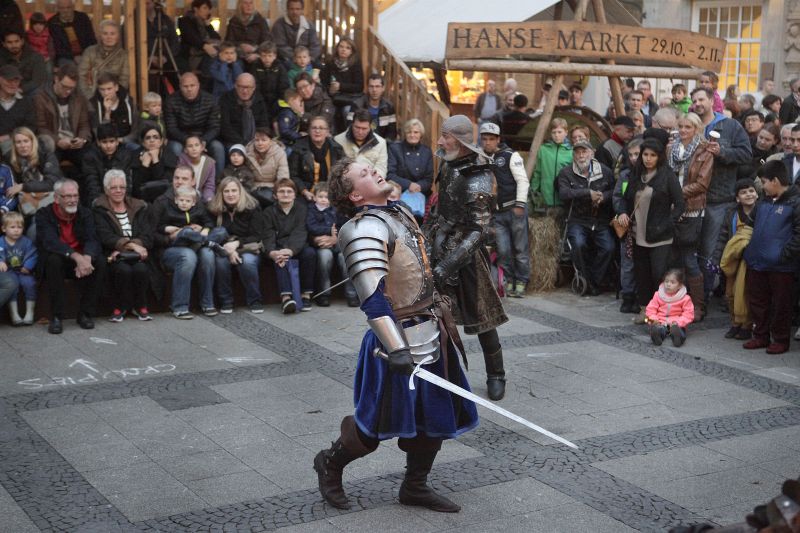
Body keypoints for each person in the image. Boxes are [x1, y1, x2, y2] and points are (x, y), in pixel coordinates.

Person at [314, 157, 478, 513]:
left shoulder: (399, 211)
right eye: (364, 173)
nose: (374, 171)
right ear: (355, 196)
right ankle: (330, 463)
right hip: (395, 341)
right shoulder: (362, 229)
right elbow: (372, 298)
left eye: (371, 166)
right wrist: (396, 348)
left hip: (431, 329)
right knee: (373, 424)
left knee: (433, 416)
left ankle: (414, 487)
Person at [424, 114, 509, 401]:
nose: (439, 141)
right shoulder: (448, 163)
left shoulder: (478, 175)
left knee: (483, 317)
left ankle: (496, 374)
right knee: (434, 314)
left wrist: (449, 264)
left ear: (459, 141)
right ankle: (438, 373)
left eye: (445, 136)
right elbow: (441, 208)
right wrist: (425, 239)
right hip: (440, 242)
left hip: (467, 254)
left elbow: (478, 230)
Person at [690, 87, 752, 304]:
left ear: (711, 101)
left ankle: (702, 299)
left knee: (709, 251)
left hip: (718, 200)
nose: (697, 104)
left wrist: (722, 152)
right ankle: (687, 297)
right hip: (691, 199)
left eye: (701, 99)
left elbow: (746, 154)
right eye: (694, 101)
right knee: (690, 250)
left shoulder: (730, 126)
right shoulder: (690, 124)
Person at [621, 138, 685, 321]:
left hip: (660, 235)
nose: (648, 159)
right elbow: (626, 198)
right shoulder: (636, 174)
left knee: (659, 274)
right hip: (637, 233)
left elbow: (680, 204)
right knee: (642, 275)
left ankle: (664, 310)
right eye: (645, 154)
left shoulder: (667, 176)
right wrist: (623, 213)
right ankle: (645, 310)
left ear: (659, 157)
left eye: (653, 155)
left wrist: (668, 223)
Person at [743, 161, 800, 355]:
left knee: (781, 304)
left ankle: (780, 339)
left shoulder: (796, 202)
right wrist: (748, 250)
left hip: (782, 266)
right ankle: (760, 335)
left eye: (764, 182)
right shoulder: (763, 202)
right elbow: (749, 226)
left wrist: (783, 255)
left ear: (775, 181)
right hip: (757, 262)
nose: (762, 186)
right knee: (758, 301)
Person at [36, 178, 105, 334]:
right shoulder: (44, 214)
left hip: (81, 260)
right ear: (56, 198)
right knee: (53, 261)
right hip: (60, 258)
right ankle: (56, 317)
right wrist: (76, 257)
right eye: (68, 196)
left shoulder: (85, 213)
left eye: (75, 196)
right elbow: (50, 242)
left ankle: (85, 314)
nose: (73, 200)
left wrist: (87, 258)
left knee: (100, 262)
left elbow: (92, 238)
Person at [149, 165, 218, 319]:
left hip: (195, 243)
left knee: (208, 254)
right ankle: (179, 307)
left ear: (193, 181)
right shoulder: (161, 201)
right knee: (188, 256)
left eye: (184, 178)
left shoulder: (196, 200)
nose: (179, 181)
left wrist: (202, 229)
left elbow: (209, 223)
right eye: (176, 178)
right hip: (168, 249)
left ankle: (207, 303)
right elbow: (150, 234)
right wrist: (170, 237)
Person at [93, 169, 153, 323]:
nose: (118, 190)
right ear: (106, 190)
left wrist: (134, 247)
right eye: (114, 187)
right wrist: (133, 246)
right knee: (123, 270)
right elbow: (105, 236)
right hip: (112, 254)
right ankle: (119, 307)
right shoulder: (100, 209)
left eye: (122, 187)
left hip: (138, 255)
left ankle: (140, 306)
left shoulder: (139, 206)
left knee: (140, 269)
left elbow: (147, 235)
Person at [557, 139, 615, 296]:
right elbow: (564, 193)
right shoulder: (566, 172)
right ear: (573, 155)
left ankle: (594, 280)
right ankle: (585, 279)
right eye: (577, 152)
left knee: (609, 247)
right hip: (577, 219)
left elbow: (614, 191)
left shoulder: (605, 171)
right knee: (578, 244)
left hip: (600, 219)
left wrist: (603, 197)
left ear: (592, 153)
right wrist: (587, 193)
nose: (581, 155)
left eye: (584, 151)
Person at [668, 112, 711, 320]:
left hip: (692, 209)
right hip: (670, 208)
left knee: (690, 259)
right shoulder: (671, 148)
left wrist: (675, 193)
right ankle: (676, 303)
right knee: (673, 258)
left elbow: (702, 184)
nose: (683, 130)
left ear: (696, 129)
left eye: (688, 127)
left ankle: (698, 306)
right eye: (681, 126)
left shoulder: (705, 150)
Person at [479, 122, 530, 297]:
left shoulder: (510, 156)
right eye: (484, 139)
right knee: (503, 250)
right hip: (497, 213)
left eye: (491, 139)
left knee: (520, 249)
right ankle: (507, 280)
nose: (487, 142)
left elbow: (522, 180)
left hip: (514, 208)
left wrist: (520, 204)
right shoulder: (482, 159)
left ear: (498, 139)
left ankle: (522, 280)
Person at [207, 176, 267, 314]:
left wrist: (237, 244)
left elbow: (257, 235)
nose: (230, 194)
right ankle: (226, 301)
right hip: (224, 248)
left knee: (247, 262)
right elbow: (214, 234)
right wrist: (230, 250)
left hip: (248, 248)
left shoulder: (252, 207)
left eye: (234, 190)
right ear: (221, 193)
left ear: (240, 192)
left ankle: (255, 300)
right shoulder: (214, 209)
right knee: (221, 262)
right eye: (226, 191)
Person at [713, 179, 758, 341]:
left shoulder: (761, 212)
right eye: (744, 192)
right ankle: (735, 323)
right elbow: (723, 236)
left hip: (751, 260)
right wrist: (716, 258)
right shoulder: (732, 213)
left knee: (745, 294)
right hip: (733, 259)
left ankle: (746, 325)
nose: (749, 195)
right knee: (730, 293)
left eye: (751, 191)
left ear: (757, 194)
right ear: (737, 198)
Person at [263, 178, 316, 313]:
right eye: (281, 191)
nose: (285, 194)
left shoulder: (302, 209)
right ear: (275, 195)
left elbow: (300, 231)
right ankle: (286, 298)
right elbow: (268, 235)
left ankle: (305, 295)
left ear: (294, 194)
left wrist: (290, 250)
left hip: (298, 246)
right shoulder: (269, 212)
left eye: (289, 191)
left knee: (309, 253)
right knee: (279, 256)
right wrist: (272, 252)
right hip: (278, 246)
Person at [33, 63, 91, 173]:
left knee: (90, 159)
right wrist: (57, 141)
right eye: (64, 86)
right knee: (49, 162)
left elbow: (84, 124)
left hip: (74, 144)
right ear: (56, 79)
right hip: (53, 144)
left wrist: (82, 139)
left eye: (71, 88)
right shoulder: (41, 97)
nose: (68, 91)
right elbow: (40, 127)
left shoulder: (79, 97)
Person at [165, 73, 225, 179]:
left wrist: (202, 141)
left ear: (198, 85)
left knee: (218, 147)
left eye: (192, 85)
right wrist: (187, 141)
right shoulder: (171, 101)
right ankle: (178, 181)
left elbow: (215, 127)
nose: (189, 89)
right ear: (180, 87)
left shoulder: (210, 100)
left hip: (204, 138)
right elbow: (171, 128)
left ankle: (218, 181)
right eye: (185, 86)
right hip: (181, 138)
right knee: (175, 148)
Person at [305, 182, 356, 307]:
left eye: (327, 197)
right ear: (314, 197)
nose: (324, 200)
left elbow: (343, 225)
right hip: (321, 245)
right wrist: (329, 231)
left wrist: (335, 236)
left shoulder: (335, 210)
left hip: (337, 243)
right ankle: (324, 294)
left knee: (346, 258)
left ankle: (352, 294)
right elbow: (311, 227)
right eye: (321, 197)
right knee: (324, 257)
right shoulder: (311, 210)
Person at [5, 127, 62, 233]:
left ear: (32, 141)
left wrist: (23, 186)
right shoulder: (9, 159)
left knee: (37, 224)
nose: (23, 145)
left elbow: (52, 182)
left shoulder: (46, 155)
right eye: (18, 142)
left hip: (48, 201)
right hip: (23, 206)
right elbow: (9, 186)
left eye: (26, 141)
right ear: (14, 145)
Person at [612, 137, 643, 313]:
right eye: (630, 155)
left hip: (644, 225)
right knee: (627, 263)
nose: (633, 158)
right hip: (628, 225)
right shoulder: (625, 175)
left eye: (636, 154)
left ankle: (640, 296)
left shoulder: (649, 175)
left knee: (641, 263)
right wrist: (621, 212)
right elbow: (618, 196)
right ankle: (628, 296)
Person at [289, 116, 344, 202]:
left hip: (330, 193)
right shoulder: (298, 148)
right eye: (314, 128)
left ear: (327, 132)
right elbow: (293, 175)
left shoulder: (336, 149)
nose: (317, 131)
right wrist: (304, 191)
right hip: (306, 193)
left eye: (321, 128)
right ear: (309, 131)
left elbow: (342, 173)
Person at [82, 123, 135, 207]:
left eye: (112, 141)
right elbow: (92, 183)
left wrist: (123, 201)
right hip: (99, 199)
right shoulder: (90, 156)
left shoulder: (125, 155)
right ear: (98, 142)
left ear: (117, 142)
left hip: (121, 197)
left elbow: (127, 182)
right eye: (104, 142)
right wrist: (101, 203)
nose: (108, 146)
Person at [0, 211, 37, 326]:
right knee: (13, 285)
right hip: (9, 271)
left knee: (29, 283)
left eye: (19, 227)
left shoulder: (26, 242)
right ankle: (14, 314)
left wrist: (28, 266)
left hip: (23, 270)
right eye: (12, 227)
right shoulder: (1, 242)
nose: (16, 230)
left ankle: (29, 312)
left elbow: (33, 254)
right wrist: (1, 261)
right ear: (4, 229)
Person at [320, 37, 363, 134]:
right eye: (341, 46)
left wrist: (341, 86)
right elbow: (323, 82)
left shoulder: (355, 64)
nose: (344, 50)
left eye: (348, 48)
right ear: (337, 48)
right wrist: (329, 90)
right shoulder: (330, 63)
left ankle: (349, 136)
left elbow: (359, 86)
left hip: (348, 99)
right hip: (332, 98)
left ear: (351, 51)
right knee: (327, 111)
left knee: (347, 111)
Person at [77, 20, 128, 99]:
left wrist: (115, 97)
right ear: (100, 36)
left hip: (114, 96)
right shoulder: (90, 51)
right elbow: (81, 76)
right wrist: (89, 96)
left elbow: (124, 79)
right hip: (92, 94)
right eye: (105, 33)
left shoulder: (123, 55)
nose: (109, 37)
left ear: (118, 36)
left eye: (112, 34)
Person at [218, 72, 270, 149]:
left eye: (248, 87)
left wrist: (258, 141)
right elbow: (224, 127)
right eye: (241, 87)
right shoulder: (225, 99)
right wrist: (244, 143)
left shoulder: (259, 100)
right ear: (235, 86)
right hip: (232, 141)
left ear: (254, 88)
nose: (245, 91)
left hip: (256, 141)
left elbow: (264, 124)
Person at [88, 72, 139, 149]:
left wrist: (121, 140)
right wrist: (107, 113)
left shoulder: (129, 102)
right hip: (104, 146)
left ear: (116, 87)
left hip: (125, 143)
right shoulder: (93, 104)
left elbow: (136, 131)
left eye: (109, 89)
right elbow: (97, 134)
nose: (106, 93)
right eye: (102, 89)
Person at [645, 268, 694, 347]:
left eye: (672, 282)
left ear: (680, 285)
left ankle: (678, 338)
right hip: (660, 321)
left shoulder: (685, 298)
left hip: (676, 323)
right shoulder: (658, 295)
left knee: (680, 330)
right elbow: (650, 309)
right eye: (666, 281)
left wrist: (678, 322)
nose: (668, 284)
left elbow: (688, 314)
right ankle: (656, 336)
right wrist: (654, 319)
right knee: (653, 324)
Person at [334, 109, 388, 178]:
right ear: (352, 124)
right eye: (357, 127)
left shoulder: (381, 143)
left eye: (364, 128)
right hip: (346, 180)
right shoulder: (338, 140)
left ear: (370, 127)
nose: (360, 132)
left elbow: (381, 169)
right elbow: (336, 168)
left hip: (370, 181)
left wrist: (369, 181)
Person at [132, 122, 178, 202]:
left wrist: (155, 160)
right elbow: (136, 188)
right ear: (143, 142)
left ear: (161, 141)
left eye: (156, 137)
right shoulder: (135, 155)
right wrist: (144, 165)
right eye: (148, 138)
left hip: (164, 199)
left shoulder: (169, 155)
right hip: (141, 199)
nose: (152, 140)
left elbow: (165, 184)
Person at [387, 118, 434, 195]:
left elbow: (429, 179)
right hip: (399, 191)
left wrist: (419, 186)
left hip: (421, 192)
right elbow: (390, 175)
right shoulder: (395, 149)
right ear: (405, 134)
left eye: (416, 132)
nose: (412, 135)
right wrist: (408, 185)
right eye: (409, 132)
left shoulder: (426, 152)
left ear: (421, 134)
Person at [246, 127, 289, 206]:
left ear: (271, 141)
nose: (260, 143)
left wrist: (279, 192)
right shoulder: (247, 152)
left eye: (264, 140)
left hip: (272, 188)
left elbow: (283, 176)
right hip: (252, 188)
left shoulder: (279, 153)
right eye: (257, 140)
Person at [177, 0, 221, 77]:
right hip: (193, 54)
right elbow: (192, 37)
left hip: (208, 52)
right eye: (204, 8)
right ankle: (206, 82)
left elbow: (217, 38)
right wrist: (204, 46)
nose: (207, 11)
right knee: (212, 60)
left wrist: (208, 26)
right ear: (196, 9)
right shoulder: (185, 21)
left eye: (209, 9)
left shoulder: (205, 23)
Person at [0, 65, 35, 159]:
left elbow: (31, 127)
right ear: (0, 79)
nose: (13, 84)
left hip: (18, 143)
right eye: (9, 80)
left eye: (16, 81)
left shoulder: (26, 102)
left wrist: (9, 136)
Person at [271, 0, 321, 66]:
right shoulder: (279, 24)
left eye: (298, 9)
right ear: (287, 10)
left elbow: (315, 46)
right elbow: (280, 46)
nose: (295, 12)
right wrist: (297, 59)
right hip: (287, 59)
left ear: (302, 10)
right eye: (292, 9)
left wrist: (309, 59)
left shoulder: (309, 25)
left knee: (319, 67)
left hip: (307, 59)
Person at [48, 0, 97, 66]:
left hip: (86, 54)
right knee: (70, 68)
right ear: (57, 8)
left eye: (68, 7)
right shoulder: (53, 23)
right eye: (62, 8)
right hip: (65, 57)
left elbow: (91, 39)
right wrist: (73, 57)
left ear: (73, 7)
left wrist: (86, 56)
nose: (65, 10)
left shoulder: (83, 18)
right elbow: (58, 47)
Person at [349, 74, 397, 140]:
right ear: (367, 88)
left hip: (382, 142)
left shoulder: (389, 107)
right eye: (371, 86)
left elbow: (392, 132)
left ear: (383, 88)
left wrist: (385, 143)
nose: (374, 90)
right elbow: (349, 127)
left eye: (377, 86)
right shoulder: (357, 105)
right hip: (360, 141)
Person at [0, 29, 47, 97]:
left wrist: (21, 90)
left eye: (16, 41)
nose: (14, 45)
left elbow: (37, 80)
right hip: (6, 90)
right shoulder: (1, 58)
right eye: (9, 42)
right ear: (4, 44)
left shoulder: (36, 57)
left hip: (29, 91)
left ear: (22, 41)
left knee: (38, 92)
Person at [224, 0, 271, 66]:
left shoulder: (261, 21)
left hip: (257, 54)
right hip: (238, 54)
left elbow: (266, 42)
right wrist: (241, 45)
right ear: (240, 5)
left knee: (257, 64)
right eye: (245, 3)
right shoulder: (233, 22)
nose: (249, 6)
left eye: (251, 3)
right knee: (235, 64)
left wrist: (255, 51)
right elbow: (229, 42)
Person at [249, 40, 288, 119]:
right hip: (260, 100)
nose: (267, 58)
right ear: (259, 56)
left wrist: (279, 99)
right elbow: (255, 85)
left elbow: (283, 86)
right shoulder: (255, 67)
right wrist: (259, 99)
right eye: (264, 56)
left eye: (270, 56)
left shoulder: (280, 67)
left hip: (276, 100)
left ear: (275, 56)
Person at [177, 135, 216, 203]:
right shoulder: (182, 161)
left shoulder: (210, 163)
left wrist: (208, 199)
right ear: (185, 150)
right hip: (185, 197)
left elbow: (209, 186)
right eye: (190, 146)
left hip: (202, 197)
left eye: (197, 145)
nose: (194, 148)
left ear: (202, 147)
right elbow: (181, 184)